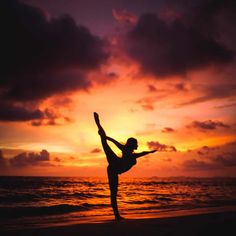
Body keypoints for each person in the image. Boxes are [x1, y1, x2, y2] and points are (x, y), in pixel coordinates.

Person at [94, 112, 156, 220]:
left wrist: (150, 152)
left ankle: (117, 215)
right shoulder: (127, 151)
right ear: (132, 144)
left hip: (115, 166)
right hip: (114, 167)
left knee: (104, 142)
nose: (137, 145)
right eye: (136, 143)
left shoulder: (133, 154)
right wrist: (107, 137)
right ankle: (98, 124)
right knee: (104, 142)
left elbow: (142, 153)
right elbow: (116, 143)